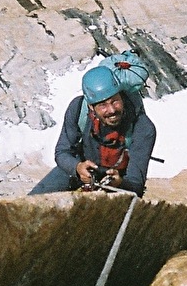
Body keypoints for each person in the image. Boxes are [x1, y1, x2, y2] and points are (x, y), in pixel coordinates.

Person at [30, 65, 157, 196]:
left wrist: (119, 183)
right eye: (103, 105)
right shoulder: (78, 109)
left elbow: (136, 184)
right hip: (80, 170)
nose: (112, 110)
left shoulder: (142, 127)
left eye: (115, 101)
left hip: (119, 179)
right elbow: (62, 152)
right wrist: (77, 167)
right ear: (91, 107)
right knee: (32, 205)